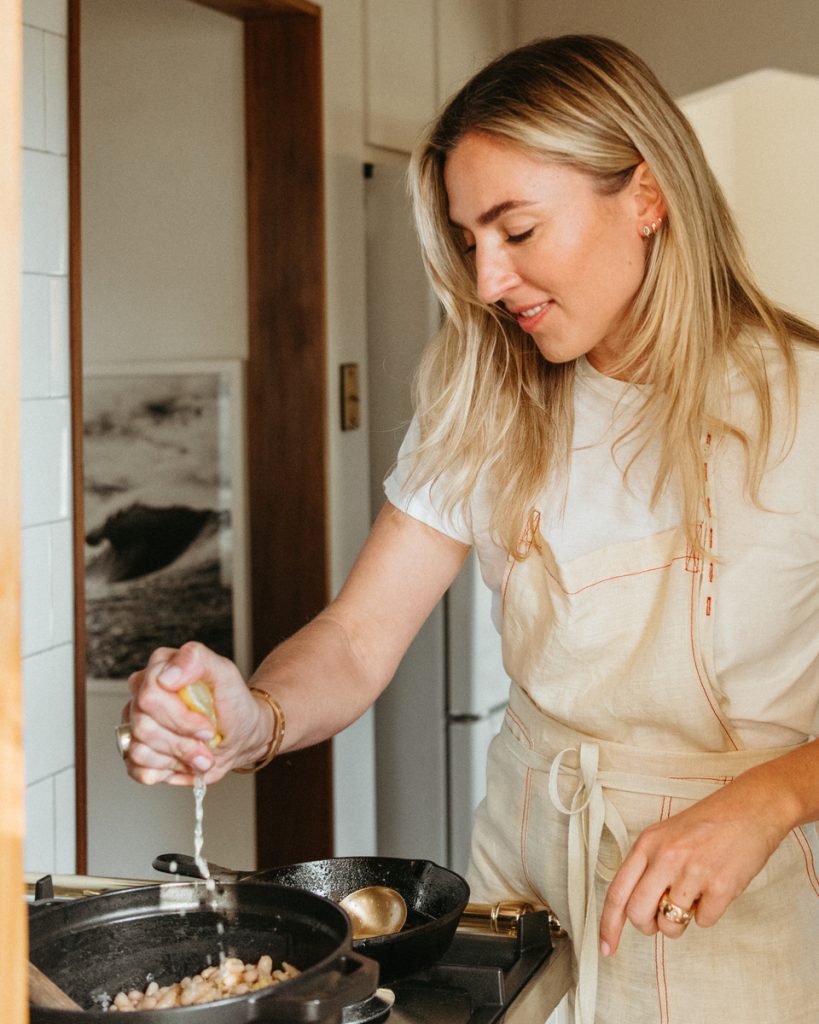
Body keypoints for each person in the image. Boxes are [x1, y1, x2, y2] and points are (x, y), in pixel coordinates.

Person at [119, 34, 819, 1024]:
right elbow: (359, 638)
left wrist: (771, 797)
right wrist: (253, 718)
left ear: (649, 197)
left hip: (736, 915)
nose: (487, 281)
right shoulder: (483, 389)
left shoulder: (803, 403)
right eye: (468, 239)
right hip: (520, 892)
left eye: (518, 229)